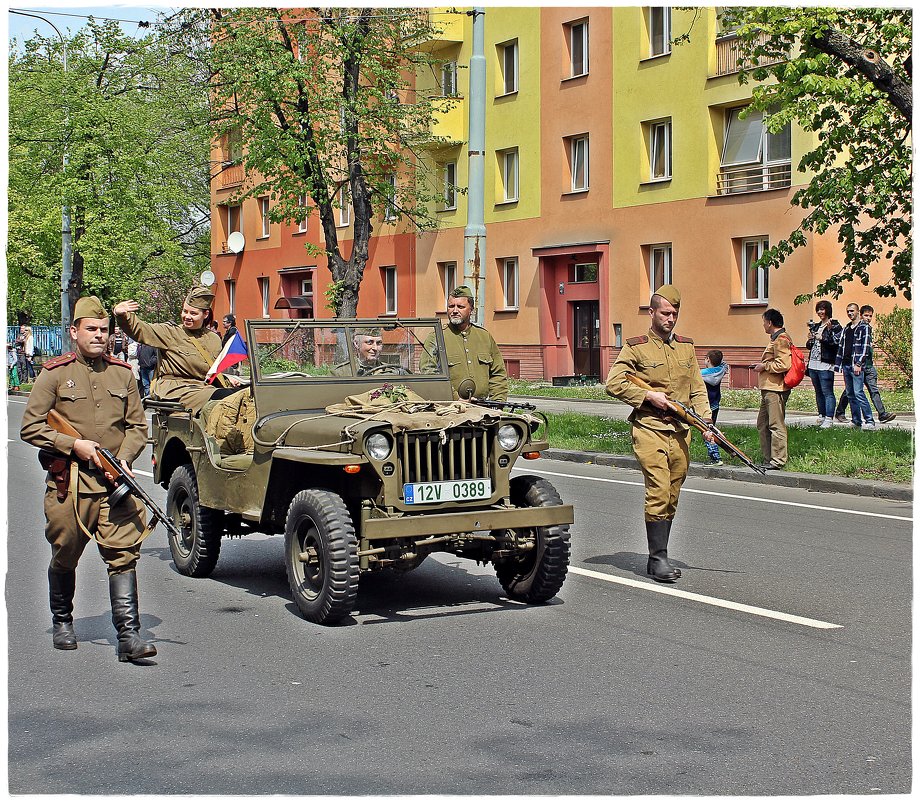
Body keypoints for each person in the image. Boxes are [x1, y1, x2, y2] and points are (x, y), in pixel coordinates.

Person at [19, 296, 156, 662]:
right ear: (74, 331)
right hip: (71, 485)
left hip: (114, 483)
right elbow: (31, 427)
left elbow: (137, 427)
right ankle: (62, 620)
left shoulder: (122, 374)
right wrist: (73, 444)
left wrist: (125, 458)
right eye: (91, 329)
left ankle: (129, 636)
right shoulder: (54, 373)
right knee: (65, 552)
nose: (99, 336)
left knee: (123, 555)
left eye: (104, 330)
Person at [605, 285, 713, 583]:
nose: (671, 318)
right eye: (665, 312)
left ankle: (658, 555)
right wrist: (648, 397)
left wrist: (706, 421)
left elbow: (697, 388)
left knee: (673, 493)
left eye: (675, 313)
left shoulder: (686, 347)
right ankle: (658, 558)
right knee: (659, 489)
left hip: (681, 430)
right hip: (650, 427)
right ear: (651, 312)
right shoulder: (636, 347)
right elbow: (614, 383)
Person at [113, 285, 234, 413]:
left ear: (206, 314)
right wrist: (121, 316)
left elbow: (212, 372)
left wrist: (227, 380)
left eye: (193, 313)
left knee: (242, 395)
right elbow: (141, 330)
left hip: (202, 388)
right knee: (225, 397)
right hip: (175, 390)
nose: (187, 316)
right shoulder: (170, 332)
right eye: (185, 311)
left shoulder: (214, 339)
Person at [421, 285, 508, 401]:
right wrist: (455, 398)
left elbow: (498, 374)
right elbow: (429, 372)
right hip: (450, 408)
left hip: (482, 407)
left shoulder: (484, 337)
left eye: (460, 306)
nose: (455, 311)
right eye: (451, 306)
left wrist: (497, 404)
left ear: (471, 309)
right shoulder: (437, 337)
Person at [753, 308, 792, 470]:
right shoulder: (775, 338)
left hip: (776, 388)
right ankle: (768, 458)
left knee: (776, 425)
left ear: (770, 322)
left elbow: (783, 364)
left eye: (764, 322)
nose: (763, 325)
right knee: (762, 424)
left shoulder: (781, 339)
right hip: (768, 387)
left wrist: (764, 366)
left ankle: (778, 460)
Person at [835, 302, 876, 430]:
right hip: (846, 365)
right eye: (848, 311)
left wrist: (859, 363)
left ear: (858, 312)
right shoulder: (847, 328)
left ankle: (869, 421)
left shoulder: (864, 327)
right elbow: (836, 340)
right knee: (850, 393)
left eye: (852, 311)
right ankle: (856, 420)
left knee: (859, 393)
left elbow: (865, 347)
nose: (850, 313)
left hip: (856, 365)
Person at [804, 300, 842, 428]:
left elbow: (836, 342)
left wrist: (824, 337)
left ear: (828, 310)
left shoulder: (835, 325)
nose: (820, 312)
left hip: (826, 364)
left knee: (827, 392)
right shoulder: (816, 326)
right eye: (818, 309)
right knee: (818, 391)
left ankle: (829, 418)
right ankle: (821, 415)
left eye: (822, 309)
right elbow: (810, 346)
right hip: (813, 364)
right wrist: (810, 339)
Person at [701, 349, 727, 466]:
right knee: (711, 429)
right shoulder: (720, 370)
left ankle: (715, 457)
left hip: (705, 407)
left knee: (706, 431)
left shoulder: (702, 374)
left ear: (708, 359)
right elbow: (724, 364)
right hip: (715, 405)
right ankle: (716, 455)